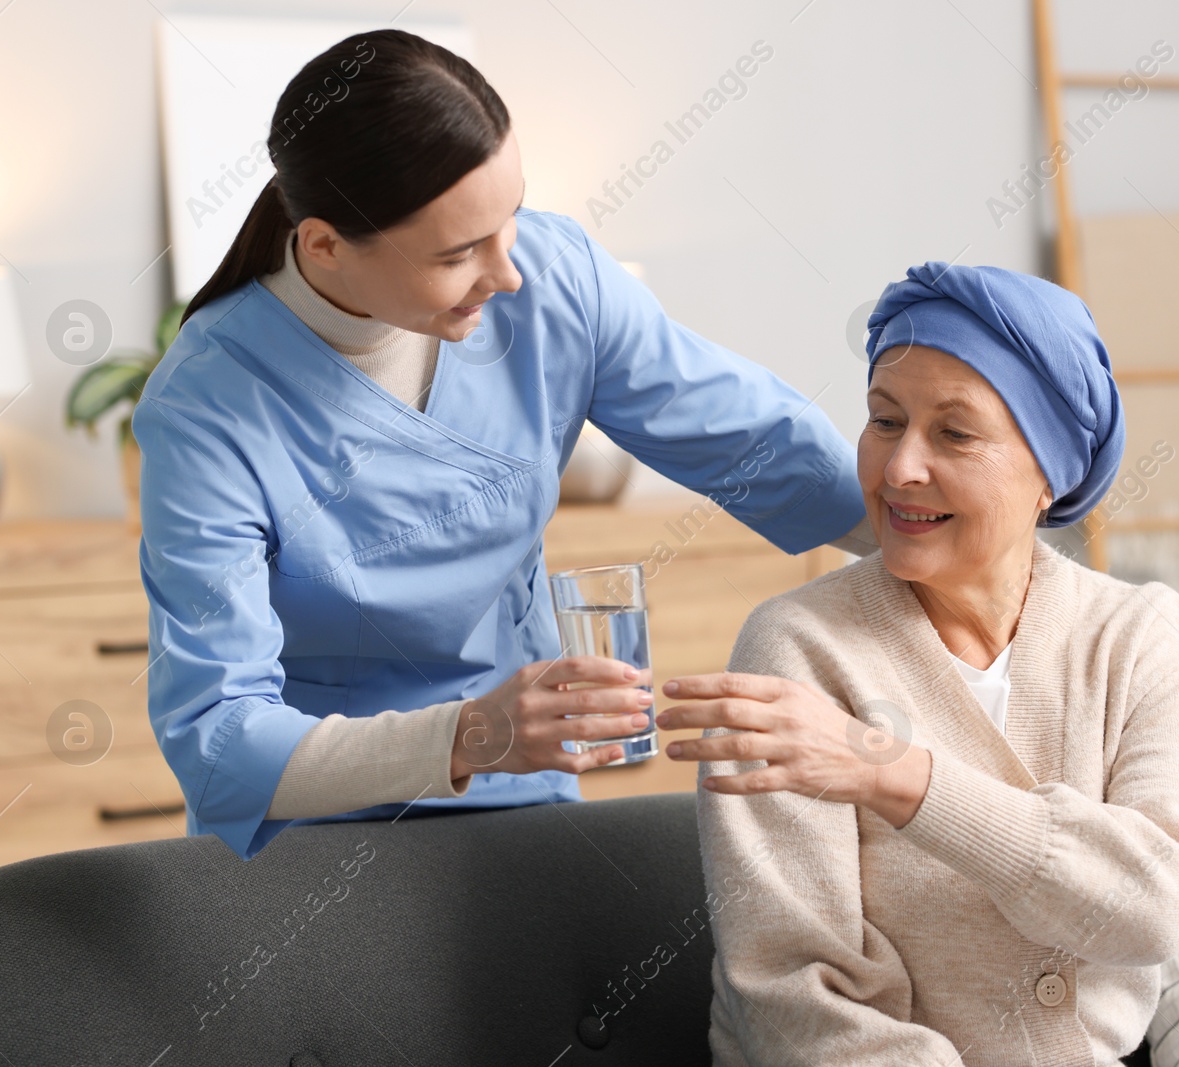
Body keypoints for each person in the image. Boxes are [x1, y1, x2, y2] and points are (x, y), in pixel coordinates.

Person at [135, 29, 872, 861]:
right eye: (458, 254)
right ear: (325, 246)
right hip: (315, 826)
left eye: (510, 219)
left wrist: (966, 540)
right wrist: (475, 732)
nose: (509, 274)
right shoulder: (206, 407)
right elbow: (220, 743)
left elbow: (759, 441)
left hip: (525, 801)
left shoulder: (557, 282)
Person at [660, 262, 1179, 1064]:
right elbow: (792, 996)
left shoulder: (1141, 638)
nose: (899, 469)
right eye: (885, 420)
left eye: (954, 433)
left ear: (1053, 471)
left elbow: (1155, 904)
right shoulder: (796, 647)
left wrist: (897, 774)